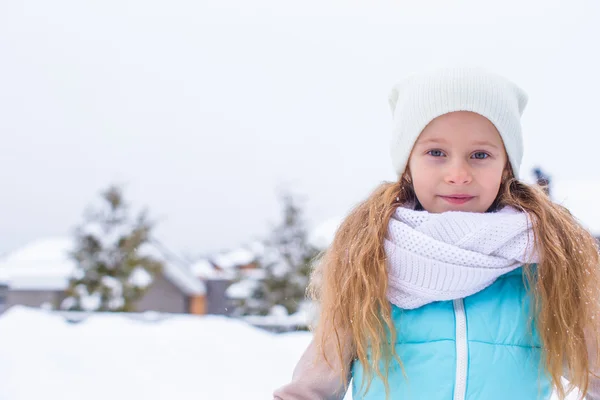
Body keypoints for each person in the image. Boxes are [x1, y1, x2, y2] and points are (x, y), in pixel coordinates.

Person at [272, 67, 600, 400]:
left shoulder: (546, 265)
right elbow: (310, 390)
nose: (458, 174)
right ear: (408, 164)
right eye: (436, 153)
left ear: (505, 168)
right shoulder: (367, 262)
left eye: (480, 155)